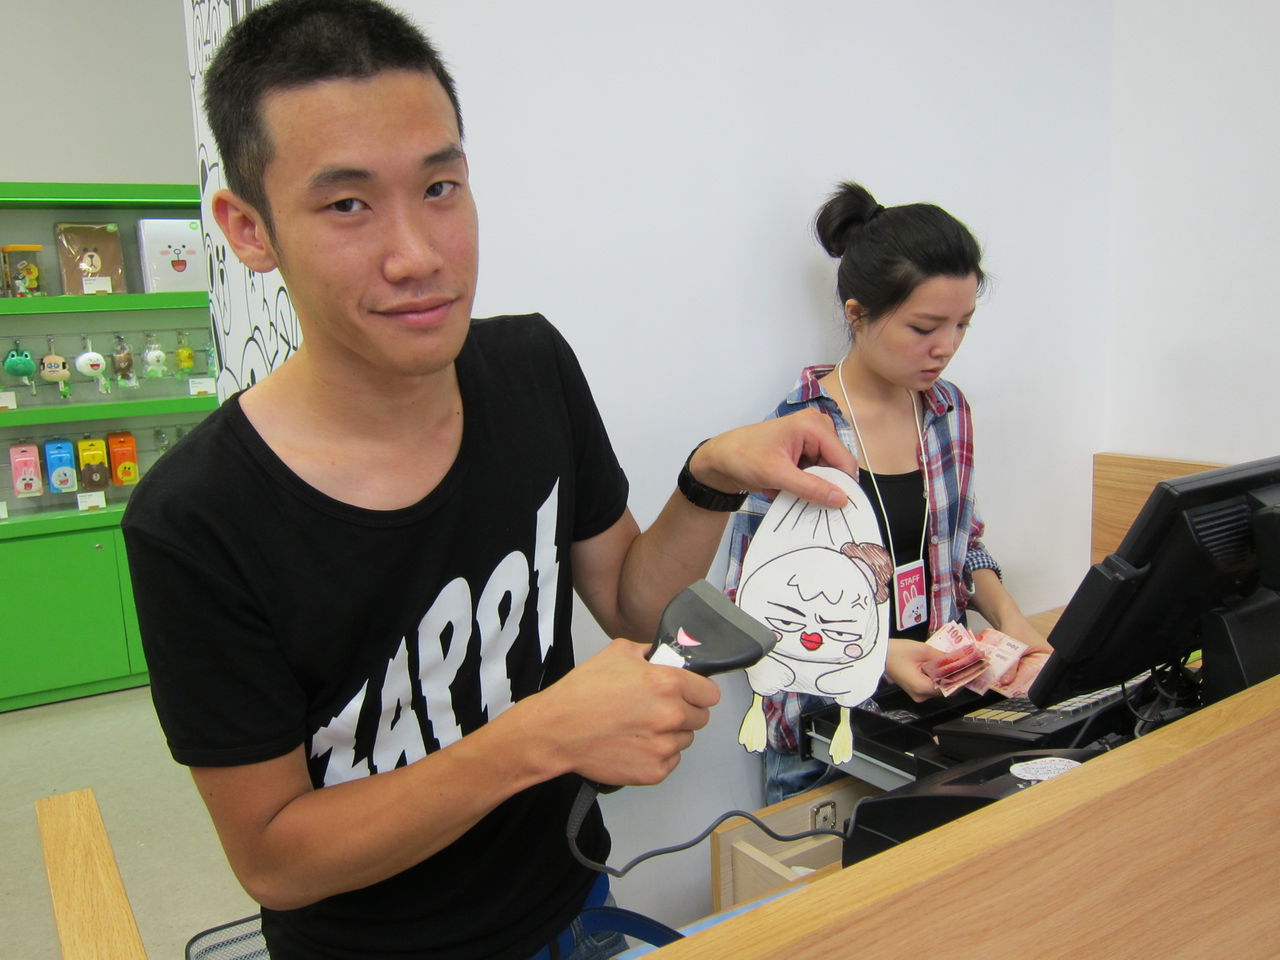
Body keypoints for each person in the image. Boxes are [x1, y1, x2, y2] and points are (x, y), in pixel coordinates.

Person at [120, 2, 857, 958]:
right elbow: (275, 858)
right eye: (347, 205)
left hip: (570, 906)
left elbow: (632, 604)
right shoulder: (196, 519)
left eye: (440, 187)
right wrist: (540, 737)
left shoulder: (531, 369)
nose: (419, 256)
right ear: (248, 229)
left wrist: (708, 479)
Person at [723, 181, 1050, 804]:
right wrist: (878, 656)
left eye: (962, 324)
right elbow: (749, 608)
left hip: (944, 713)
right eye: (924, 327)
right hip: (830, 736)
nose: (945, 347)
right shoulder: (797, 433)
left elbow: (962, 545)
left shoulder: (947, 411)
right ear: (857, 314)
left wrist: (1012, 620)